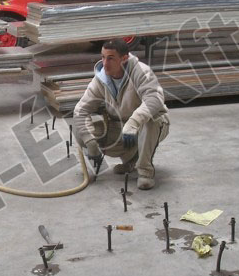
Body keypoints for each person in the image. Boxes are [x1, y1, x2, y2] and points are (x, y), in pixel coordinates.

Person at [73, 38, 170, 190]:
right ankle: (130, 160)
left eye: (111, 58)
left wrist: (133, 123)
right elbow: (80, 111)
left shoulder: (140, 71)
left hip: (145, 124)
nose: (105, 63)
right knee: (80, 131)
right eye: (103, 57)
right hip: (119, 126)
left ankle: (145, 171)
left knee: (152, 121)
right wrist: (90, 141)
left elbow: (154, 99)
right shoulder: (100, 79)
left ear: (124, 58)